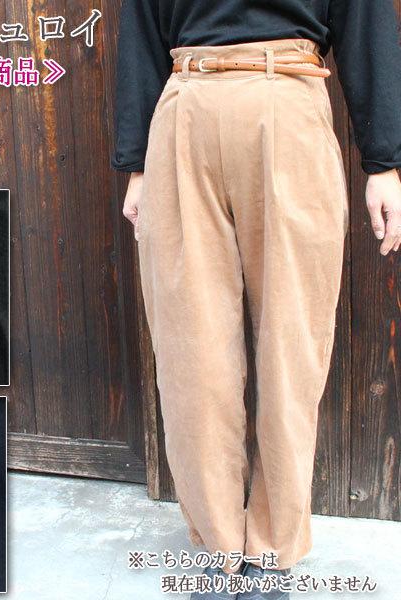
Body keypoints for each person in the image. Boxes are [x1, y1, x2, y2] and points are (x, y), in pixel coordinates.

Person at [111, 2, 401, 599]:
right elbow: (140, 24)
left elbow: (366, 19)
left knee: (292, 344)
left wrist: (385, 162)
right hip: (186, 100)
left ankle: (271, 547)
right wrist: (136, 165)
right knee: (191, 351)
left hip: (287, 92)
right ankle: (219, 549)